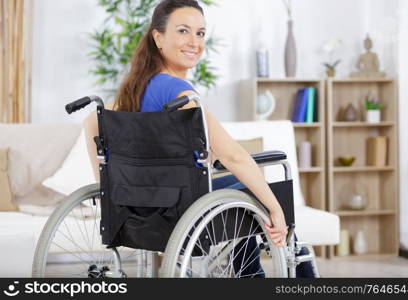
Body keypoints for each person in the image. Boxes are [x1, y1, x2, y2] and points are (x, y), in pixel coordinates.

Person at [84, 0, 311, 278]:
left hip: (148, 202)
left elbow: (91, 122)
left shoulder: (136, 87)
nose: (194, 41)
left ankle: (253, 271)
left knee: (242, 187)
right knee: (262, 194)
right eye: (183, 31)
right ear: (158, 37)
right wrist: (278, 212)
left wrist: (109, 187)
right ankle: (277, 273)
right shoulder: (180, 93)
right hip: (183, 205)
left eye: (200, 33)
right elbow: (233, 156)